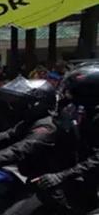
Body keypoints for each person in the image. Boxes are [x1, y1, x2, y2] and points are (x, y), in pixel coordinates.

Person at [0, 77, 78, 215]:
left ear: (35, 104)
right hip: (34, 180)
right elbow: (1, 137)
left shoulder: (47, 127)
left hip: (51, 187)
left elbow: (17, 150)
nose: (15, 106)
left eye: (22, 103)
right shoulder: (31, 121)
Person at [33, 64, 99, 214]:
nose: (66, 94)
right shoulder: (78, 110)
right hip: (81, 177)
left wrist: (61, 176)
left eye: (71, 91)